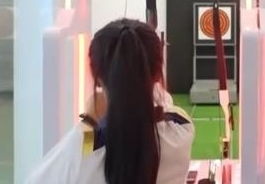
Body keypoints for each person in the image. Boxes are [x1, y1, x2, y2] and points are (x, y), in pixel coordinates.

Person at [26, 19, 194, 184]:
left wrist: (89, 122)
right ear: (157, 75)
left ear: (97, 79)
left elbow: (39, 178)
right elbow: (162, 106)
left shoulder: (86, 149)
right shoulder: (180, 130)